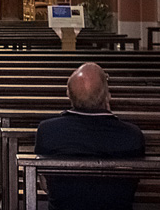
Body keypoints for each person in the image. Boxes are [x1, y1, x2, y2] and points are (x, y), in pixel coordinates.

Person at [34, 62, 145, 210]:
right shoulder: (132, 135)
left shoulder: (48, 130)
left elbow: (45, 184)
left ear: (69, 95)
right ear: (107, 95)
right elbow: (132, 183)